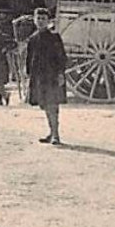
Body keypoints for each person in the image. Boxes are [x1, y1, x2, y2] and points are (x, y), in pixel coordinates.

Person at [25, 8, 67, 145]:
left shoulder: (54, 37)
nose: (41, 21)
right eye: (39, 18)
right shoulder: (32, 39)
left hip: (52, 76)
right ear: (34, 20)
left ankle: (56, 135)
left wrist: (61, 73)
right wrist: (28, 76)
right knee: (44, 105)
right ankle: (51, 132)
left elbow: (61, 57)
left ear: (48, 21)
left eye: (44, 19)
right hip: (39, 78)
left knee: (52, 105)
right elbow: (29, 59)